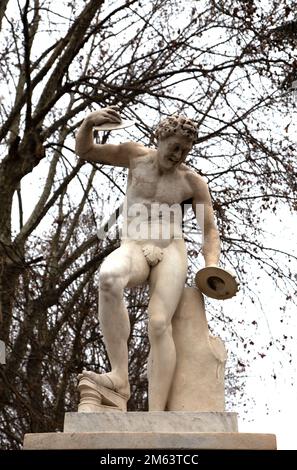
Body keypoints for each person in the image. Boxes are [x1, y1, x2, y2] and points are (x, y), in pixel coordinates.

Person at [75, 106, 220, 411]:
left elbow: (208, 230)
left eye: (185, 150)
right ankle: (119, 378)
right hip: (134, 244)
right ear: (160, 138)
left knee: (157, 323)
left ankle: (157, 414)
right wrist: (89, 122)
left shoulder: (192, 183)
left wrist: (212, 266)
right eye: (175, 146)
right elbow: (85, 150)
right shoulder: (133, 156)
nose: (179, 154)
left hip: (170, 249)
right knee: (109, 278)